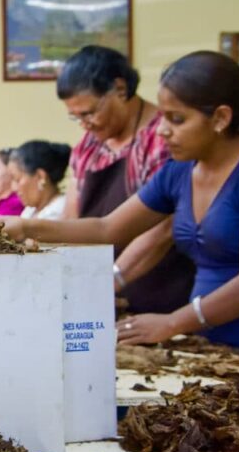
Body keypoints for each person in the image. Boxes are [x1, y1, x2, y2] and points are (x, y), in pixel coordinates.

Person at [0, 51, 239, 366]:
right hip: (212, 344)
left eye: (177, 119)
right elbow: (107, 227)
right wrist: (25, 226)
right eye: (162, 116)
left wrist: (174, 322)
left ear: (220, 118)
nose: (162, 130)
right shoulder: (180, 171)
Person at [58, 45, 195, 313]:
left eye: (89, 113)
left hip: (161, 294)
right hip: (100, 294)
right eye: (75, 117)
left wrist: (111, 280)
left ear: (120, 89)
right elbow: (71, 222)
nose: (85, 124)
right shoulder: (88, 147)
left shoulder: (164, 138)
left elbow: (164, 228)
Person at [7, 140, 71, 220]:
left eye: (17, 180)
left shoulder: (61, 211)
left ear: (41, 176)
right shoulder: (30, 210)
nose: (14, 188)